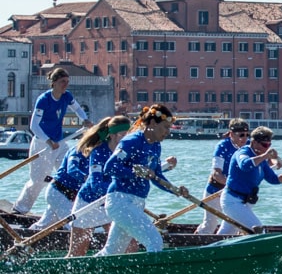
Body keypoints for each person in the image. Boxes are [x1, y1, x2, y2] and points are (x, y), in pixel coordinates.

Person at [96, 104, 186, 256]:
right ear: (152, 123)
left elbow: (157, 176)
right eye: (165, 127)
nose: (167, 132)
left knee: (112, 251)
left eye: (169, 128)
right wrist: (135, 172)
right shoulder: (131, 142)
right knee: (155, 241)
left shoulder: (156, 146)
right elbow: (109, 167)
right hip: (120, 201)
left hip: (136, 203)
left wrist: (175, 190)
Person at [13, 67, 93, 214]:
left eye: (67, 82)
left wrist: (85, 120)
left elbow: (78, 109)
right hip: (42, 144)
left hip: (60, 143)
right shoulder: (44, 100)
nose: (66, 85)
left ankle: (65, 211)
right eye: (63, 82)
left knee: (68, 175)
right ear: (54, 82)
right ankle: (20, 209)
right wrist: (48, 141)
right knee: (38, 180)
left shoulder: (66, 96)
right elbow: (34, 126)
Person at [67, 115, 132, 257]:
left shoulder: (126, 152)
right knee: (77, 254)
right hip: (88, 204)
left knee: (130, 247)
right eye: (123, 134)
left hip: (111, 204)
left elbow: (140, 173)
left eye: (130, 134)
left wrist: (165, 167)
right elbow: (95, 184)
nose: (128, 138)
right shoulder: (98, 152)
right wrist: (116, 188)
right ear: (113, 135)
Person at [216, 126, 282, 235]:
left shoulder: (262, 160)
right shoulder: (243, 152)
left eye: (269, 145)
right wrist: (265, 156)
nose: (267, 148)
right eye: (264, 145)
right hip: (232, 201)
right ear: (254, 143)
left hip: (245, 203)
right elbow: (245, 165)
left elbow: (273, 179)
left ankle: (209, 249)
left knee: (224, 234)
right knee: (258, 229)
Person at [195, 118, 250, 234]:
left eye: (247, 135)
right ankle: (198, 242)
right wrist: (232, 185)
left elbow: (265, 160)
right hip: (215, 190)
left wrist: (274, 162)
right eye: (241, 135)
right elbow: (216, 174)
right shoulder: (222, 147)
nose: (244, 139)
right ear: (231, 134)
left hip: (234, 193)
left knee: (236, 222)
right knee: (210, 224)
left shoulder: (248, 146)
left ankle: (227, 242)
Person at [28, 145, 89, 230]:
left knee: (44, 224)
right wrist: (86, 178)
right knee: (74, 226)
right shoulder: (77, 151)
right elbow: (72, 170)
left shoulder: (97, 154)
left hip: (67, 195)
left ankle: (26, 234)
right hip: (59, 192)